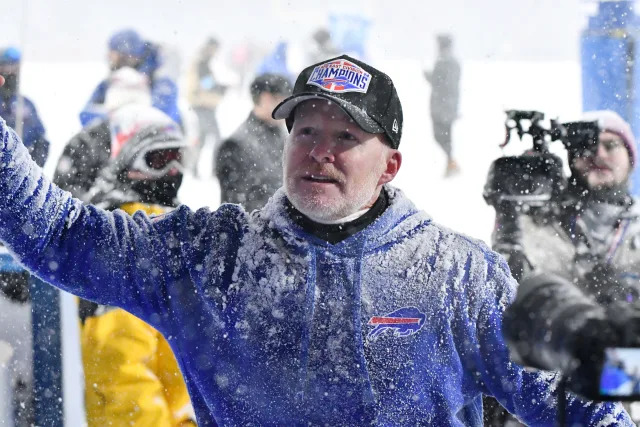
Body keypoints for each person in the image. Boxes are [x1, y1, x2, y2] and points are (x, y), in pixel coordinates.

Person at [0, 57, 633, 426]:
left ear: (390, 166)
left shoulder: (455, 275)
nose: (320, 153)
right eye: (306, 130)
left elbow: (587, 401)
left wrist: (612, 362)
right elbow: (56, 232)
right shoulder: (210, 257)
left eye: (347, 137)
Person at [485, 110, 640, 425]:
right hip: (545, 391)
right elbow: (504, 299)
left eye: (611, 145)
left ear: (631, 156)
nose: (598, 154)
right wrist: (509, 213)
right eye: (586, 146)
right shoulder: (538, 222)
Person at [68, 104, 195, 426]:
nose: (173, 170)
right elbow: (119, 366)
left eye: (178, 157)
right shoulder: (121, 240)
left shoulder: (169, 232)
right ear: (130, 163)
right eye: (159, 160)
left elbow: (177, 353)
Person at [0, 46, 50, 427]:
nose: (8, 74)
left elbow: (42, 143)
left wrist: (26, 161)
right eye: (4, 68)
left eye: (14, 67)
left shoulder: (24, 106)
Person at [215, 73, 291, 212]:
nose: (288, 109)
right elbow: (234, 208)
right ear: (266, 98)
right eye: (283, 100)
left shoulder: (284, 136)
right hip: (256, 229)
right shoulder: (236, 145)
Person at [79, 29, 182, 127]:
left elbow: (163, 116)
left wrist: (117, 118)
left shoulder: (161, 78)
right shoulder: (112, 81)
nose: (110, 61)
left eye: (114, 56)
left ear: (127, 55)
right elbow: (86, 114)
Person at [0, 47, 49, 167]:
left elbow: (40, 139)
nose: (10, 72)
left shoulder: (26, 104)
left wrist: (29, 166)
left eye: (14, 67)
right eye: (5, 67)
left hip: (20, 171)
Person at [186, 37, 227, 177]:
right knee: (216, 137)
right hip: (203, 104)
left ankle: (194, 168)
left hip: (201, 104)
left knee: (202, 138)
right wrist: (220, 88)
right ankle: (217, 168)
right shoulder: (202, 61)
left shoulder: (201, 59)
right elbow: (205, 83)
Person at [424, 34, 461, 177]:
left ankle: (451, 164)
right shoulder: (453, 61)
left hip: (442, 106)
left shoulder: (444, 61)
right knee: (445, 136)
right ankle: (451, 163)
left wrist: (428, 76)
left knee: (441, 136)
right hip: (448, 105)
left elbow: (439, 82)